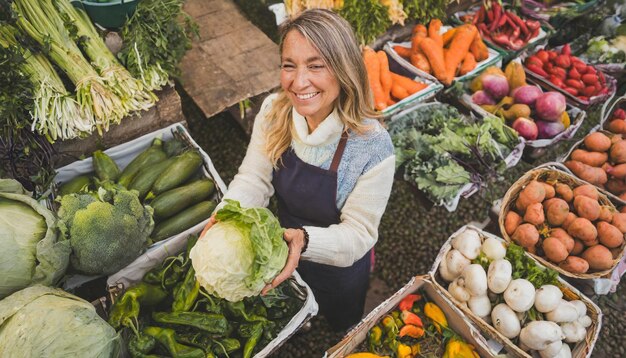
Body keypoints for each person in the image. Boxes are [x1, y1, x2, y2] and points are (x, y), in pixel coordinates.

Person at [201, 8, 395, 331]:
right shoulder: (274, 112)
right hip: (281, 247)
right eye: (289, 66)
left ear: (343, 69)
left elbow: (358, 233)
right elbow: (254, 178)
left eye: (316, 66)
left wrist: (303, 241)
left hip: (339, 264)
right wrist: (228, 214)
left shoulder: (373, 147)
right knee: (294, 312)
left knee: (340, 325)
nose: (298, 82)